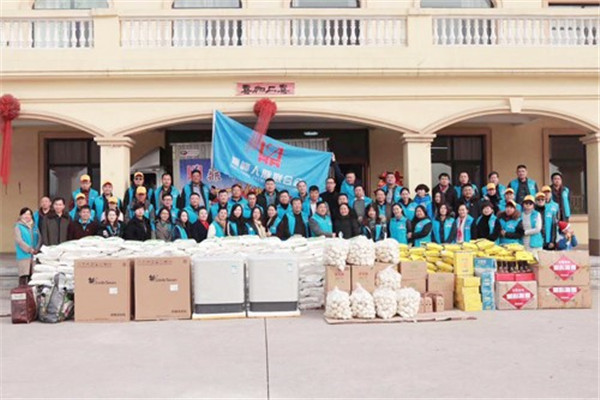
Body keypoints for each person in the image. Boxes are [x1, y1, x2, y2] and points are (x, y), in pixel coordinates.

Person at [14, 207, 41, 285]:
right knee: (24, 276)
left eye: (29, 214)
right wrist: (29, 249)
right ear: (21, 216)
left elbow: (40, 238)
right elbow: (19, 241)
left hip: (34, 254)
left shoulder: (34, 226)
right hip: (24, 254)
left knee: (33, 277)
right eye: (25, 214)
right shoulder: (18, 226)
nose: (27, 216)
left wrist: (37, 248)